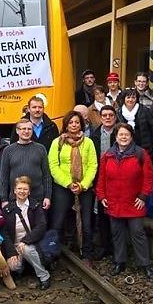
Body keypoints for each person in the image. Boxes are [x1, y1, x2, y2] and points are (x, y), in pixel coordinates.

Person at [95, 123, 153, 278]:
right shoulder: (107, 155)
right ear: (115, 137)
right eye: (120, 134)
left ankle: (145, 264)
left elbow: (149, 178)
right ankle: (119, 261)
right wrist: (101, 196)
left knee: (137, 232)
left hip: (134, 201)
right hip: (114, 201)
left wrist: (143, 196)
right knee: (117, 233)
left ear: (131, 136)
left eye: (126, 135)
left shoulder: (141, 154)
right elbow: (101, 179)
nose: (123, 137)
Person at [48, 111, 98, 265]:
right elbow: (53, 165)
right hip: (63, 186)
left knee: (86, 222)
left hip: (84, 187)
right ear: (66, 125)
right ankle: (52, 254)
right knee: (58, 221)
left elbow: (92, 165)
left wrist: (82, 185)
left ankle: (86, 252)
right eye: (71, 122)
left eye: (77, 122)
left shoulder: (88, 143)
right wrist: (68, 183)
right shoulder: (58, 142)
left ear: (81, 124)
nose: (74, 125)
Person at [1, 176, 51, 290]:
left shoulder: (35, 206)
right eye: (19, 188)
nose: (22, 191)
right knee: (14, 267)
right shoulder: (8, 209)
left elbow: (41, 226)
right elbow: (4, 233)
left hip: (31, 243)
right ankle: (26, 266)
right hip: (15, 245)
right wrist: (11, 252)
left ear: (29, 192)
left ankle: (44, 276)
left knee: (27, 250)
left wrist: (25, 241)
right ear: (14, 190)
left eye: (25, 189)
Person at [0, 119, 52, 210]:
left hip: (37, 198)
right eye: (23, 129)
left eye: (29, 129)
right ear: (17, 131)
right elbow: (3, 176)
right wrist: (4, 199)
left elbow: (46, 175)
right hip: (15, 198)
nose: (26, 131)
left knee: (39, 224)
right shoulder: (8, 150)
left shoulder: (40, 149)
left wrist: (47, 196)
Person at [90, 105, 118, 259]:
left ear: (115, 116)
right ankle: (104, 245)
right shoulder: (94, 136)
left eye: (110, 115)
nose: (107, 118)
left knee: (116, 216)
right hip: (101, 180)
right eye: (104, 115)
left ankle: (116, 248)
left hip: (117, 179)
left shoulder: (120, 132)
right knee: (101, 214)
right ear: (100, 118)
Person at [116, 88, 153, 154]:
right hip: (123, 147)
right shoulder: (119, 112)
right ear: (124, 99)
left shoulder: (145, 110)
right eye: (128, 97)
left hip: (143, 147)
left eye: (133, 97)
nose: (130, 100)